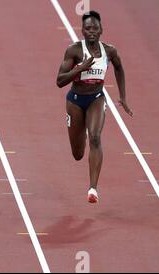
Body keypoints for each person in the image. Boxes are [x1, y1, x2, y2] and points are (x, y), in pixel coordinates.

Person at [56, 11, 132, 203]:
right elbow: (59, 81)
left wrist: (122, 96)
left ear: (101, 30)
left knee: (96, 137)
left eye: (95, 28)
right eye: (88, 28)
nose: (91, 32)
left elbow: (119, 68)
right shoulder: (74, 51)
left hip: (96, 98)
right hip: (75, 100)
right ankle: (80, 131)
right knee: (78, 154)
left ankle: (93, 189)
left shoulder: (109, 51)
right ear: (82, 30)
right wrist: (80, 68)